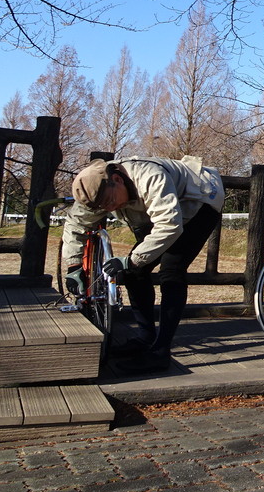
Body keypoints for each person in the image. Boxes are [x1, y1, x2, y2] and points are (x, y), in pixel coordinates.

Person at [61, 155, 225, 374]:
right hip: (159, 208)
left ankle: (160, 353)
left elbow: (169, 224)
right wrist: (73, 267)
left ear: (117, 179)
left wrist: (131, 260)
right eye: (103, 206)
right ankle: (145, 337)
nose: (109, 208)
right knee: (133, 273)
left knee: (171, 270)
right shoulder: (96, 189)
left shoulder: (149, 177)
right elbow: (76, 224)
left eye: (110, 201)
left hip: (201, 197)